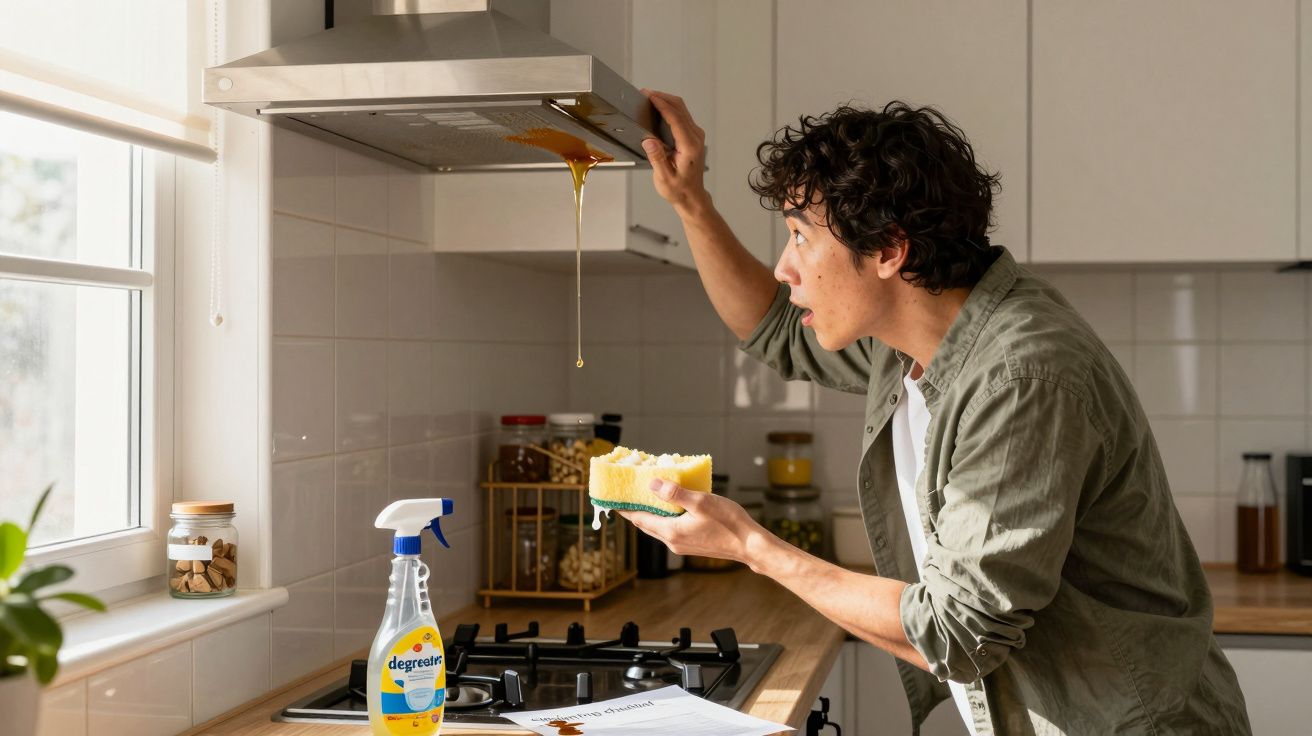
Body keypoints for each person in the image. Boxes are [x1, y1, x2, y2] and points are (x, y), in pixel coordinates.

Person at [618, 90, 1252, 735]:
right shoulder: (917, 337)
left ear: (890, 251)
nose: (784, 267)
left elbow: (958, 634)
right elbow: (777, 330)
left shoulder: (1020, 377)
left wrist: (751, 545)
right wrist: (690, 202)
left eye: (801, 238)